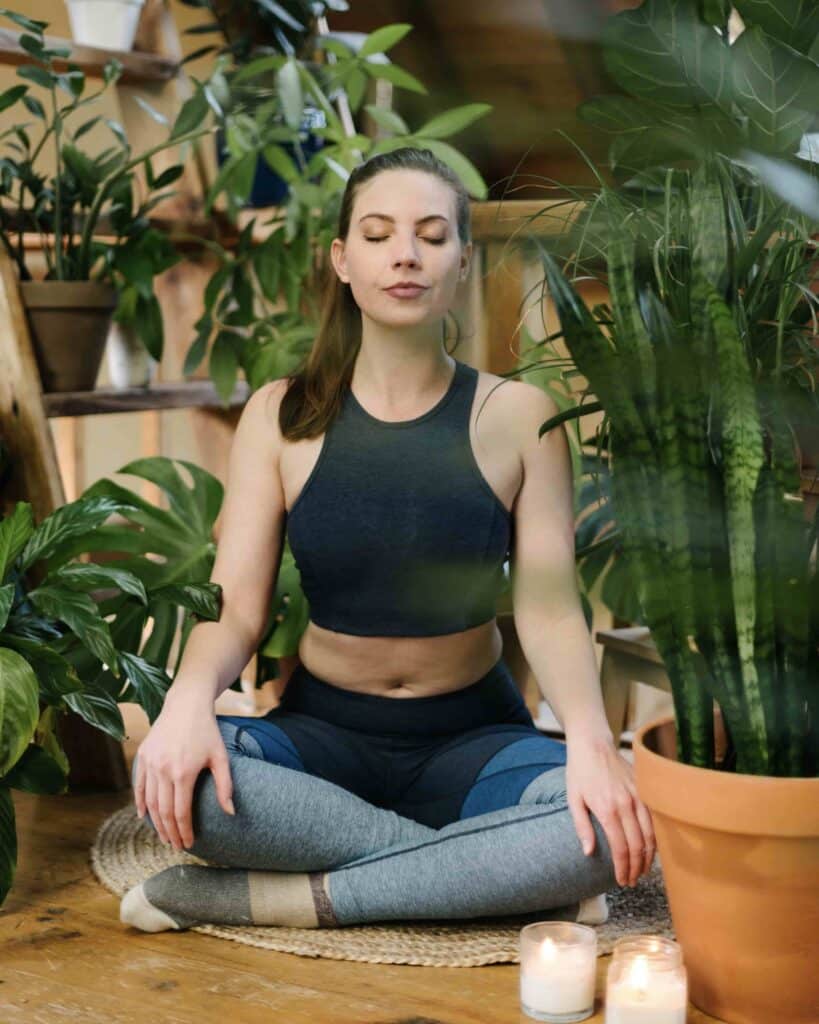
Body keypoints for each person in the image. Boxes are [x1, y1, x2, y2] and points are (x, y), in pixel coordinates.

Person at [120, 146, 656, 933]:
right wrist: (185, 704)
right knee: (177, 781)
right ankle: (475, 873)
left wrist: (589, 745)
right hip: (318, 740)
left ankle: (280, 899)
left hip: (476, 743)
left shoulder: (517, 416)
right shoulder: (278, 414)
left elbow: (547, 612)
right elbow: (235, 607)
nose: (404, 254)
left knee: (609, 830)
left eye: (431, 235)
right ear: (342, 259)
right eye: (377, 234)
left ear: (463, 262)